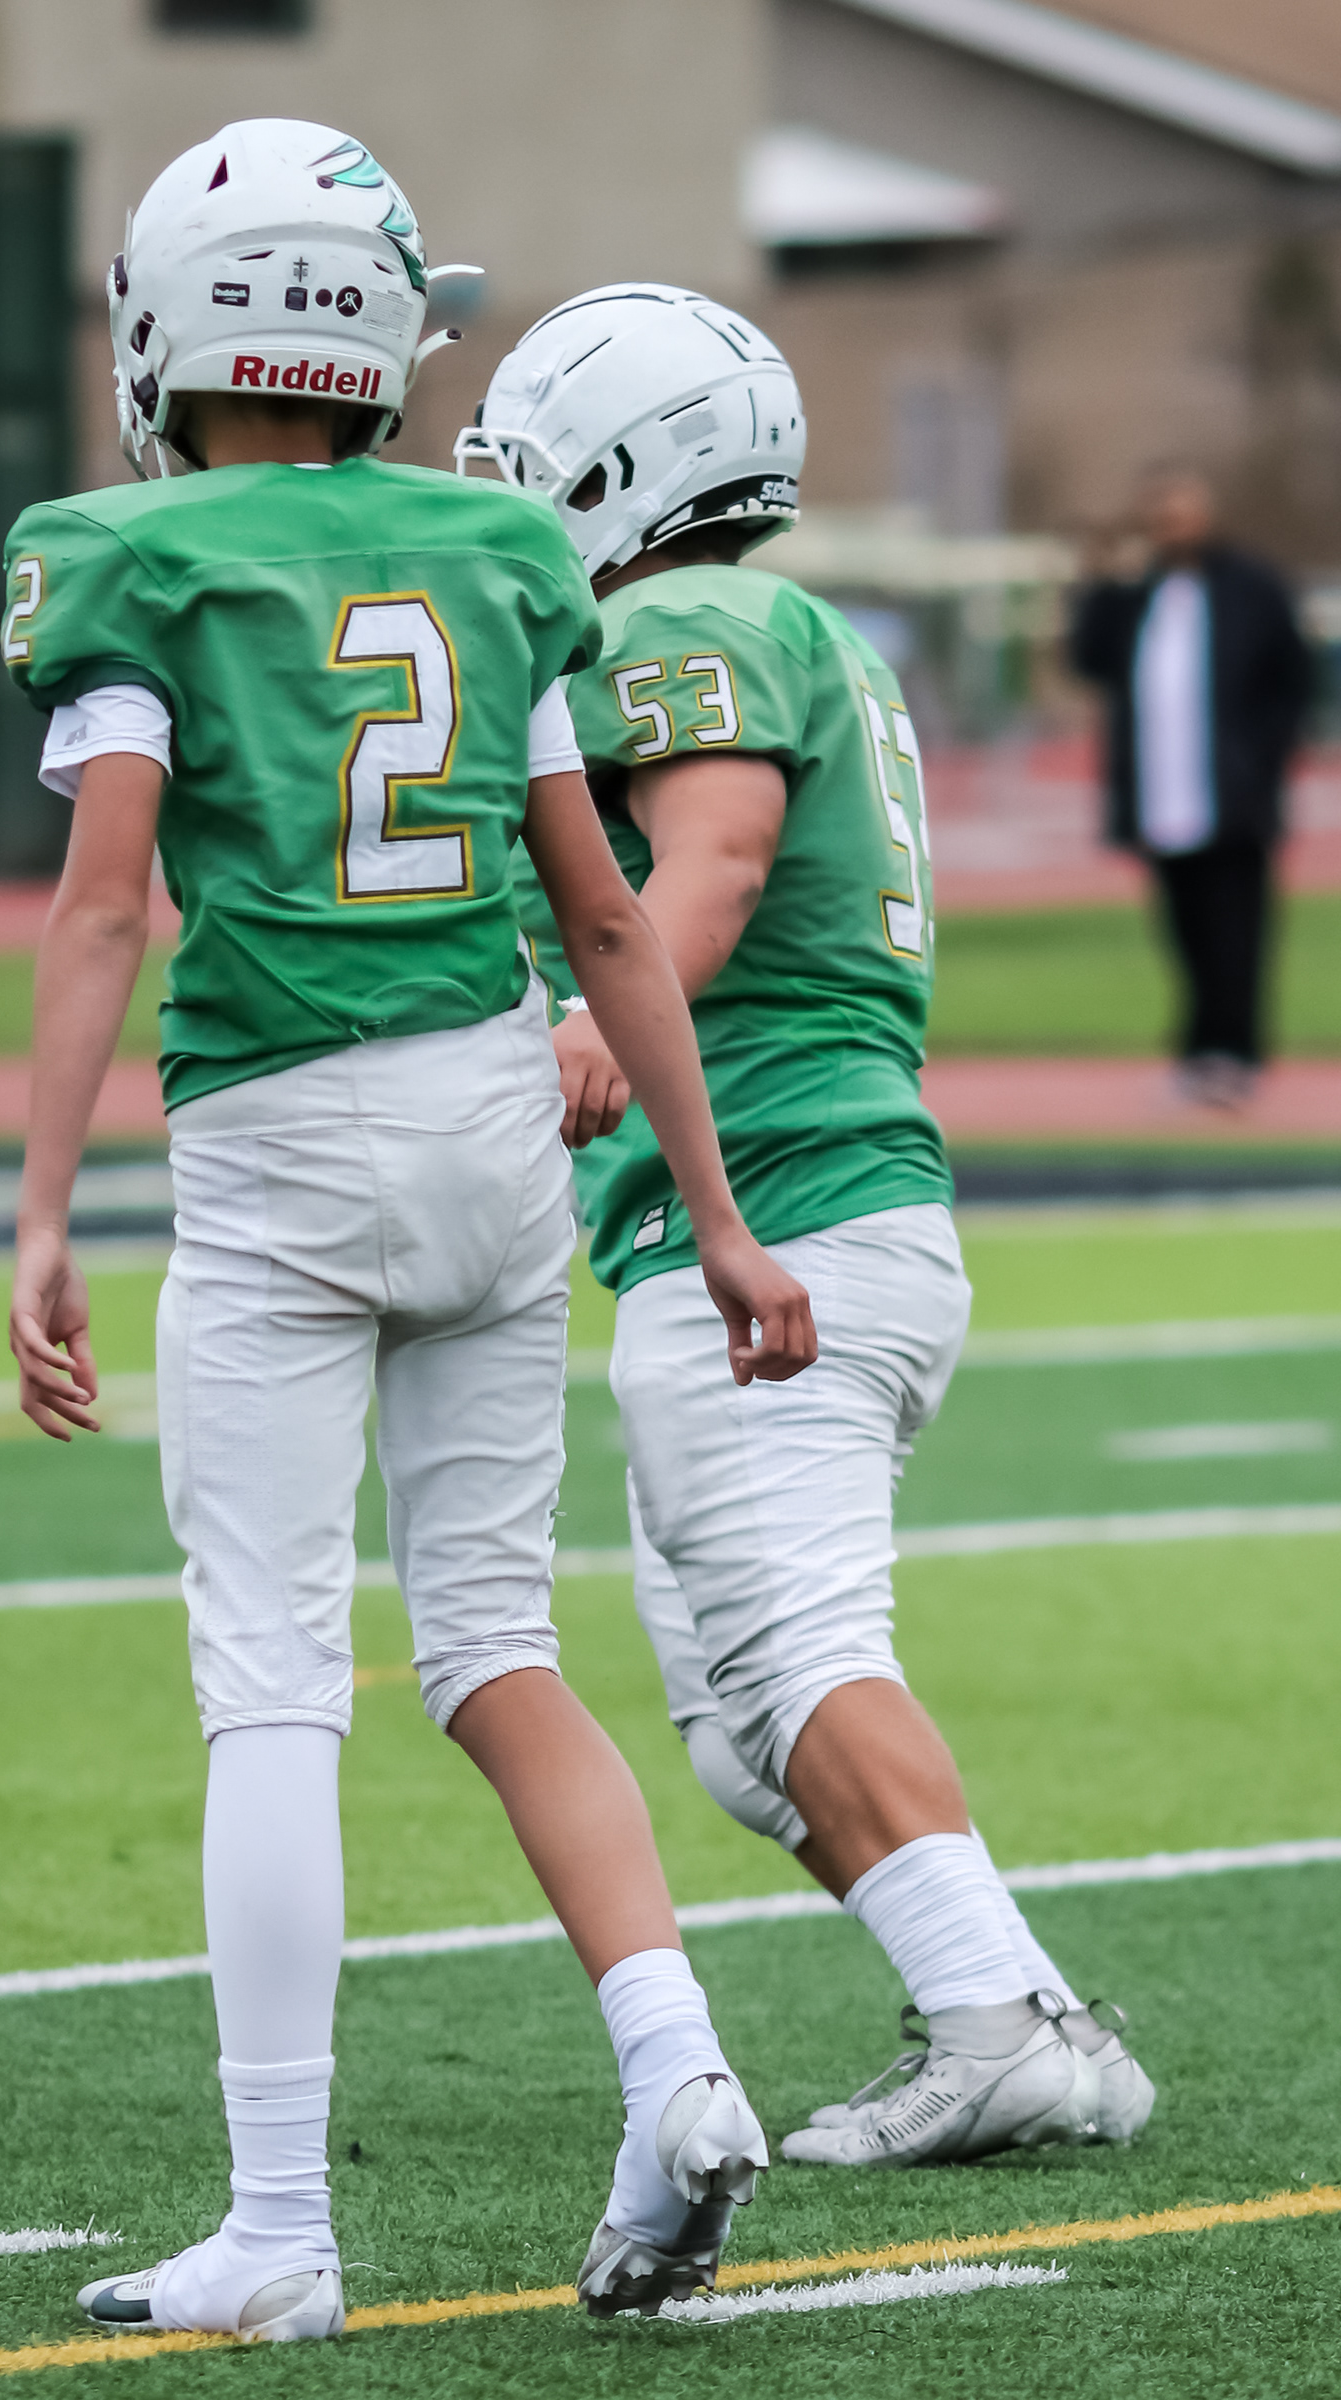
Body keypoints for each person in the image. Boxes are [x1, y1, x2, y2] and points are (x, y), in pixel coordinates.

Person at [2, 124, 816, 2340]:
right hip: (490, 1123)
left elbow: (103, 909)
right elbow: (609, 921)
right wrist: (719, 1220)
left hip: (278, 1133)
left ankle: (281, 2223)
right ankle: (678, 2065)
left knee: (273, 1682)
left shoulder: (126, 557)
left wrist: (46, 1211)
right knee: (493, 1646)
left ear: (179, 328)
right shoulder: (498, 548)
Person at [467, 284, 1154, 2169]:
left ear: (621, 466)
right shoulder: (783, 628)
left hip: (782, 1215)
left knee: (794, 1654)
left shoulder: (685, 618)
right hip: (820, 1216)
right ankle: (1034, 2018)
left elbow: (717, 858)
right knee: (734, 1720)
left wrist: (603, 1026)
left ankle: (991, 2028)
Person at [1070, 466, 1313, 1107]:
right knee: (1184, 929)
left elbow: (1293, 680)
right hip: (1161, 792)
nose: (1172, 527)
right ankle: (1199, 1051)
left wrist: (1264, 759)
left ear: (1206, 516)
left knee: (1238, 928)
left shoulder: (1253, 587)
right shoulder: (1136, 595)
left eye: (1182, 514)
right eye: (1161, 517)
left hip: (1234, 793)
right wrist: (1100, 578)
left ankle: (1234, 1054)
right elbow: (1088, 659)